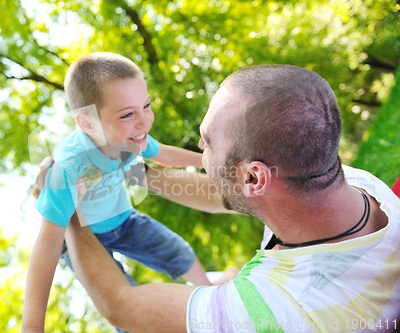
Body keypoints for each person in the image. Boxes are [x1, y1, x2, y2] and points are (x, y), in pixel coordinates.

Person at [59, 64, 400, 333]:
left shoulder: (279, 308)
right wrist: (134, 171)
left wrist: (70, 213)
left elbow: (122, 305)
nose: (199, 149)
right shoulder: (350, 184)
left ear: (253, 176)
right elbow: (223, 191)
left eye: (207, 142)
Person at [21, 52, 234, 333]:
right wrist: (32, 325)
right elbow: (47, 244)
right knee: (126, 313)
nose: (144, 121)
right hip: (85, 234)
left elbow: (165, 155)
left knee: (179, 251)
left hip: (123, 221)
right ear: (87, 123)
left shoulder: (132, 138)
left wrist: (208, 160)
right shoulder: (68, 169)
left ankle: (209, 294)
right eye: (127, 114)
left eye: (146, 106)